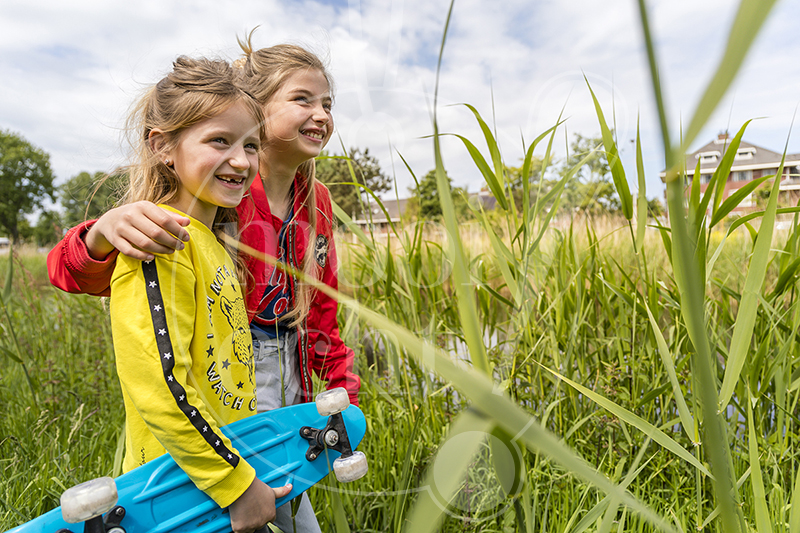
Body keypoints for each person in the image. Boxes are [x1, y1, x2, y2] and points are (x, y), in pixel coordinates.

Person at [47, 36, 359, 533]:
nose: (321, 114)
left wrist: (346, 394)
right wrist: (102, 231)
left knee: (283, 509)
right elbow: (90, 279)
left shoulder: (311, 201)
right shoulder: (193, 217)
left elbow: (322, 315)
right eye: (302, 99)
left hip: (275, 394)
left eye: (328, 103)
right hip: (213, 412)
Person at [102, 56, 293, 533]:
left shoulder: (213, 245)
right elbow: (161, 385)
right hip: (173, 495)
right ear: (164, 145)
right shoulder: (159, 242)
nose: (241, 161)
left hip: (218, 480)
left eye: (251, 146)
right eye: (219, 141)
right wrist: (235, 483)